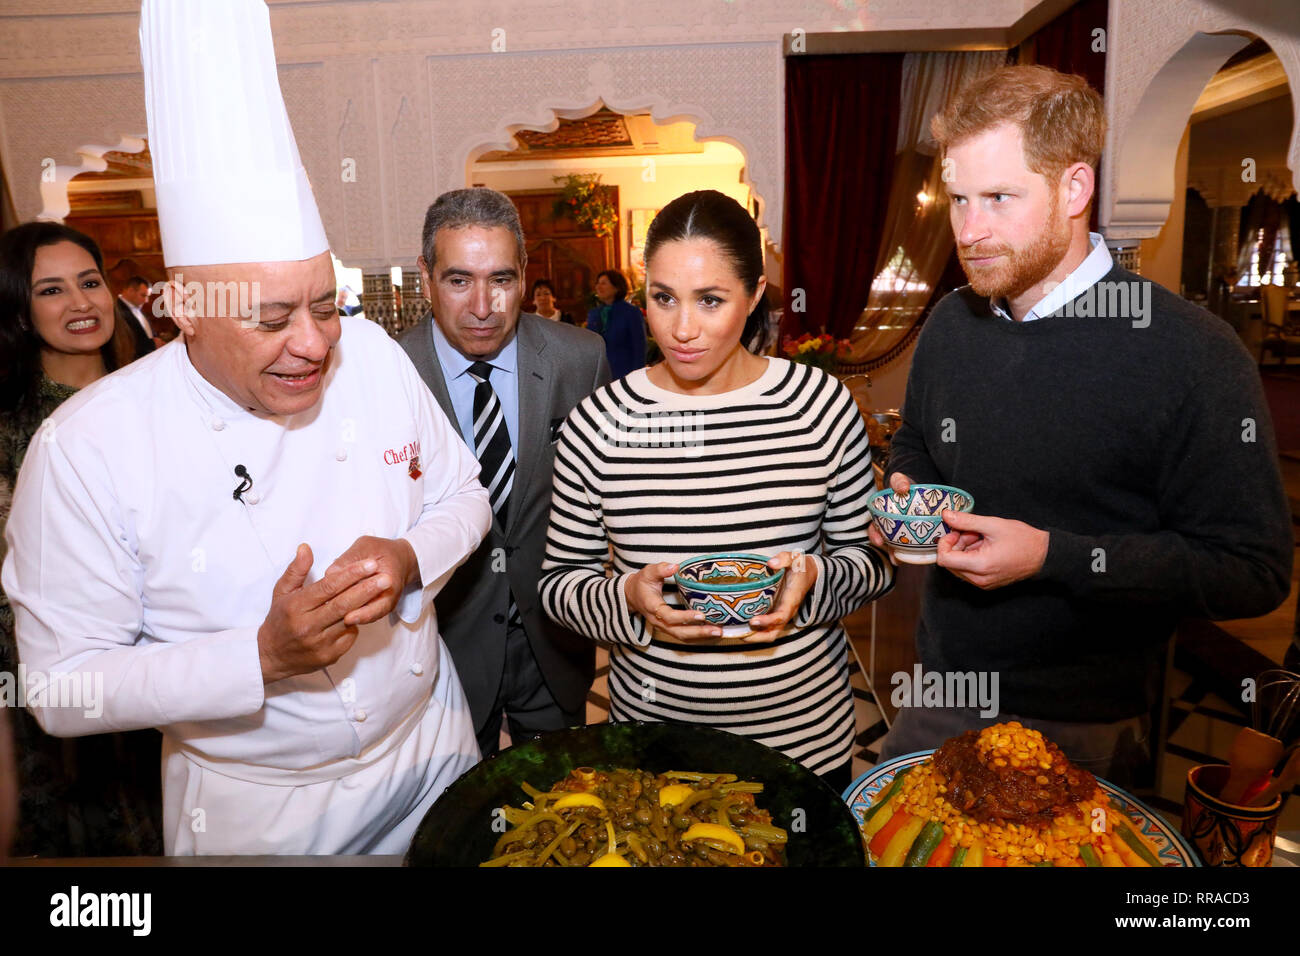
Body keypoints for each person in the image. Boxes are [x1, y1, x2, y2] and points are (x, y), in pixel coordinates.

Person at [3, 0, 490, 854]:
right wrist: (258, 656)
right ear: (184, 310)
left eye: (323, 305)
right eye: (271, 320)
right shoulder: (86, 448)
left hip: (432, 753)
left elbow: (463, 494)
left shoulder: (371, 354)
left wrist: (410, 556)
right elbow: (58, 686)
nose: (313, 344)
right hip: (262, 814)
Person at [873, 66, 1292, 784]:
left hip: (1088, 728)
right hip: (939, 691)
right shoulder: (950, 322)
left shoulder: (1190, 352)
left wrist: (1051, 557)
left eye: (1000, 198)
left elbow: (1251, 572)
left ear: (1074, 188)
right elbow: (919, 438)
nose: (969, 233)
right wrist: (907, 487)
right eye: (959, 200)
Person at [540, 190, 895, 791]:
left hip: (803, 743)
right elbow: (559, 584)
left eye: (710, 301)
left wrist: (812, 581)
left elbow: (873, 560)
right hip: (655, 747)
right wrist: (630, 597)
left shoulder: (818, 406)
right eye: (662, 298)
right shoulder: (598, 422)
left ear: (756, 294)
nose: (681, 329)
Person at [400, 189, 609, 757]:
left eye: (501, 279)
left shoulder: (580, 358)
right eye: (459, 280)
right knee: (465, 823)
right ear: (425, 277)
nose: (483, 306)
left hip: (554, 642)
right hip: (441, 653)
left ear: (524, 273)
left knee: (567, 808)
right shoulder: (387, 377)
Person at [0, 222, 160, 857]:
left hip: (175, 652)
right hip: (59, 669)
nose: (81, 302)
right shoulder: (15, 429)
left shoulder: (160, 398)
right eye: (51, 290)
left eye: (90, 282)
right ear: (19, 307)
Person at [586, 268, 646, 379]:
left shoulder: (631, 312)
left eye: (603, 283)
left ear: (616, 287)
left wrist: (637, 376)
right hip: (599, 374)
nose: (598, 287)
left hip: (624, 373)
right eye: (597, 283)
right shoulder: (594, 313)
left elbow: (639, 347)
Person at [115, 274, 157, 357]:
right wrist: (152, 343)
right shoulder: (116, 310)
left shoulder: (137, 307)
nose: (146, 301)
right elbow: (124, 342)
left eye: (148, 296)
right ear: (130, 291)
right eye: (143, 295)